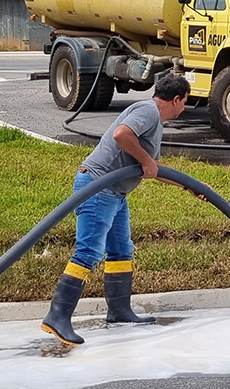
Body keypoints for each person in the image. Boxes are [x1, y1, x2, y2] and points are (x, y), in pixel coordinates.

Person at [41, 73, 191, 346]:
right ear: (177, 99)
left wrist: (191, 186)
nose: (184, 109)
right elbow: (121, 135)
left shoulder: (154, 121)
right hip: (99, 186)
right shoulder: (148, 111)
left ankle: (119, 311)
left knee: (121, 250)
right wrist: (146, 160)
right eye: (184, 103)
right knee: (89, 251)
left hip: (116, 193)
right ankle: (58, 316)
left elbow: (152, 170)